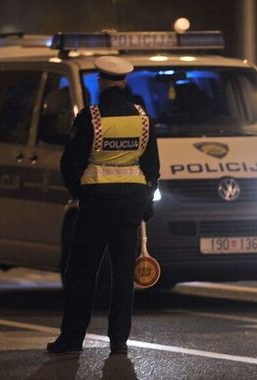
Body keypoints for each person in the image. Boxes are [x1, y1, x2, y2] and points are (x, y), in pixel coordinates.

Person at [47, 56, 160, 355]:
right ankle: (119, 341)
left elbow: (69, 163)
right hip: (130, 207)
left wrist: (80, 192)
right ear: (123, 83)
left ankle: (72, 339)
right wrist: (145, 204)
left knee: (82, 273)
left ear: (101, 82)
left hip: (96, 205)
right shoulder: (143, 120)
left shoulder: (90, 118)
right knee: (123, 275)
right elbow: (152, 168)